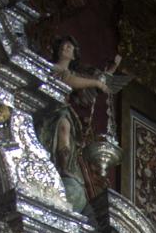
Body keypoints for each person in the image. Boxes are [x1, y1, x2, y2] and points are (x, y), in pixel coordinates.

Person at [37, 35, 120, 212]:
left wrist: (114, 67)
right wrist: (96, 82)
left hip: (61, 111)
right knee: (63, 126)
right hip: (47, 112)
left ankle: (64, 166)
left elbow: (99, 83)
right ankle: (60, 166)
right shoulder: (54, 69)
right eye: (63, 46)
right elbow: (70, 81)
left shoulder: (74, 74)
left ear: (74, 55)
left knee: (66, 128)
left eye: (69, 47)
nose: (65, 49)